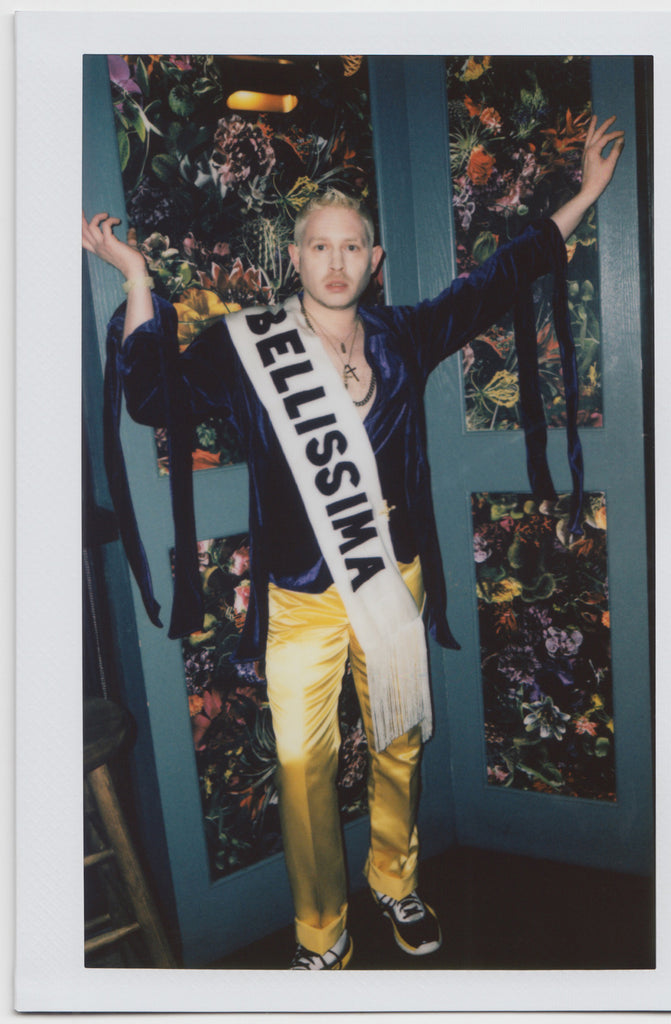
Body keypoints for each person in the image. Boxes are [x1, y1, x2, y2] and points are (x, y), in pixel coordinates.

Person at [82, 114, 624, 970]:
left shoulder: (403, 337)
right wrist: (137, 278)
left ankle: (394, 879)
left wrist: (585, 195)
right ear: (293, 260)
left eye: (351, 248)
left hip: (390, 581)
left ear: (371, 264)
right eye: (318, 247)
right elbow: (152, 395)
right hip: (300, 600)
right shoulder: (244, 346)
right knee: (301, 768)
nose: (335, 262)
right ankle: (321, 935)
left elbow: (494, 281)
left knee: (400, 741)